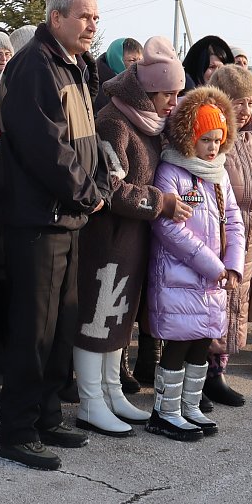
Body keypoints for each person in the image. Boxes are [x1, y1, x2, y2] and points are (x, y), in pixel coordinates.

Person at [0, 0, 109, 471]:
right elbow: (47, 149)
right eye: (84, 16)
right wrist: (87, 191)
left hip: (67, 217)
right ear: (56, 17)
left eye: (96, 18)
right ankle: (15, 431)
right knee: (33, 330)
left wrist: (97, 181)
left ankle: (45, 414)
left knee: (62, 324)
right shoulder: (34, 66)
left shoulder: (74, 67)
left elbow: (86, 140)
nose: (91, 25)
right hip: (37, 219)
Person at [74, 36, 186, 437]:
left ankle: (111, 392)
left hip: (133, 242)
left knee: (119, 319)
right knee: (97, 319)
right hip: (107, 241)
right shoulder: (113, 121)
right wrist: (162, 203)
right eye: (166, 93)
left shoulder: (153, 125)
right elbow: (111, 189)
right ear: (147, 91)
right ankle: (90, 401)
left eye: (176, 92)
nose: (173, 101)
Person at [145, 87, 245, 441]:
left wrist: (232, 265)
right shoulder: (172, 171)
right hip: (180, 277)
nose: (213, 147)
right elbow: (168, 227)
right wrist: (213, 266)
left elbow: (234, 220)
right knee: (178, 343)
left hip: (213, 280)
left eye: (218, 139)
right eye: (206, 140)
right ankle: (165, 411)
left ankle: (189, 406)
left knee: (202, 343)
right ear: (190, 138)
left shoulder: (218, 174)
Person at [208, 63, 252, 396]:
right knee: (212, 303)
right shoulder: (210, 134)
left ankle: (218, 371)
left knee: (236, 302)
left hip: (250, 233)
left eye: (250, 102)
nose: (244, 109)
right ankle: (202, 373)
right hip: (217, 231)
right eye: (237, 100)